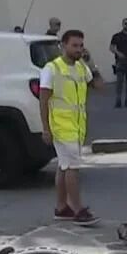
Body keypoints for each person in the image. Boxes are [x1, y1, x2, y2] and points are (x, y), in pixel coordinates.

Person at [39, 29, 104, 226]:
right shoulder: (52, 69)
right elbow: (43, 100)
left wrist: (92, 64)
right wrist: (45, 128)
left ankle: (61, 208)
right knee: (73, 168)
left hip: (77, 125)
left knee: (64, 166)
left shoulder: (82, 68)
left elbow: (100, 87)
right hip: (61, 125)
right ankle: (78, 209)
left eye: (81, 45)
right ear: (63, 46)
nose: (78, 49)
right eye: (74, 45)